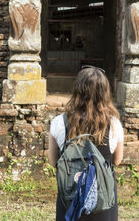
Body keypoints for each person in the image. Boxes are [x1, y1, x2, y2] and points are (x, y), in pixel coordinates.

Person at [48, 66, 124, 221]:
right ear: (105, 93)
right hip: (102, 200)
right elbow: (117, 160)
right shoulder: (114, 124)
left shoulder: (59, 123)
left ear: (77, 91)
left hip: (70, 199)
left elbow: (53, 161)